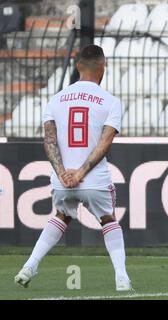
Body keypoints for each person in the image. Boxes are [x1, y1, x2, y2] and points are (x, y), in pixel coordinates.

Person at [14, 44, 132, 291]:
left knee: (61, 215)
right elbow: (105, 142)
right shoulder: (110, 101)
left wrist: (63, 174)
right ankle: (121, 277)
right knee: (108, 219)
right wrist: (80, 173)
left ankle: (30, 265)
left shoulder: (55, 100)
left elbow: (49, 141)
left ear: (78, 66)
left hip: (62, 180)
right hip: (93, 180)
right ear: (104, 67)